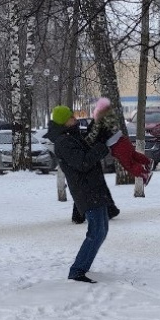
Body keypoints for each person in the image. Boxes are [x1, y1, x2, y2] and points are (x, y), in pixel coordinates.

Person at [45, 105, 119, 284]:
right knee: (96, 232)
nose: (75, 119)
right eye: (71, 117)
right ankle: (77, 270)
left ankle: (81, 266)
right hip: (85, 191)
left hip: (94, 188)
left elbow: (87, 146)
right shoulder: (63, 142)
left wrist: (98, 130)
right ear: (64, 121)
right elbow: (82, 162)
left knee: (101, 230)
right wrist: (102, 148)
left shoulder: (72, 135)